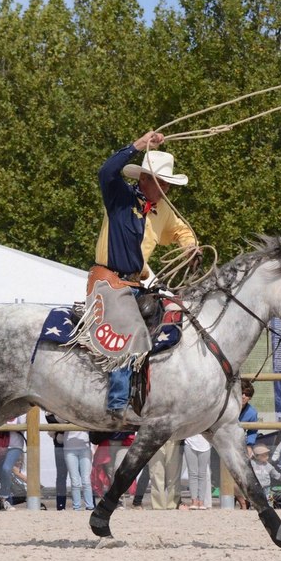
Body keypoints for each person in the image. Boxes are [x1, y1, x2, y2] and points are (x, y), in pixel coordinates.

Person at [90, 130, 199, 423]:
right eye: (163, 183)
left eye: (168, 184)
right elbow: (106, 171)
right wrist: (138, 145)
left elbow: (181, 229)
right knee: (132, 328)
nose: (167, 190)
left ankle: (158, 394)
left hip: (136, 283)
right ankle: (117, 401)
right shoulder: (119, 197)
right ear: (145, 180)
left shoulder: (162, 209)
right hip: (108, 281)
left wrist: (189, 247)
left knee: (174, 316)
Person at [61, 420, 95, 511]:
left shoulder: (84, 413)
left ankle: (90, 506)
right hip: (69, 449)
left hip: (85, 448)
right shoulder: (65, 414)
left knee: (86, 479)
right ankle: (77, 507)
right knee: (74, 480)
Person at [148, 434, 186, 509]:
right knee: (156, 473)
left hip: (175, 437)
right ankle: (158, 505)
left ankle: (173, 504)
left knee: (173, 475)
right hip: (155, 437)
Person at [182, 434, 212, 509]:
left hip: (205, 444)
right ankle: (194, 501)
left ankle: (201, 502)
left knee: (202, 474)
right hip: (190, 442)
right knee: (192, 473)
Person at [46, 413, 68, 510]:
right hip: (60, 445)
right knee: (61, 476)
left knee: (82, 476)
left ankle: (90, 504)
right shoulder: (51, 411)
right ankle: (60, 505)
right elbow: (49, 418)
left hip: (76, 443)